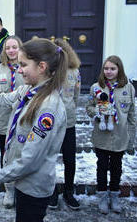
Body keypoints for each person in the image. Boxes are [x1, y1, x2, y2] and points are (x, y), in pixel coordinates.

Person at [0, 38, 68, 222]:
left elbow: (29, 161)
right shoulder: (27, 90)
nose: (19, 70)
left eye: (23, 65)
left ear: (41, 66)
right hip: (22, 182)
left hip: (34, 187)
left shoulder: (48, 107)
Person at [86, 55, 136, 214]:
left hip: (120, 137)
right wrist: (97, 112)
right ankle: (102, 196)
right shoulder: (96, 87)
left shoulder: (128, 88)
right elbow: (89, 107)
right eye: (106, 68)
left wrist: (131, 139)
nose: (109, 71)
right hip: (102, 137)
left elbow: (132, 115)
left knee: (116, 167)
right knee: (101, 167)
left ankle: (114, 196)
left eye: (112, 68)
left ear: (119, 69)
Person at [0, 35, 24, 208]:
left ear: (20, 48)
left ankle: (23, 188)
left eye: (14, 47)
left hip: (24, 121)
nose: (11, 50)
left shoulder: (27, 68)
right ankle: (9, 190)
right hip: (3, 121)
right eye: (8, 47)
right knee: (6, 156)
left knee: (23, 155)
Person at [48, 38, 81, 210]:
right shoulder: (48, 71)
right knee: (50, 158)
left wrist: (70, 110)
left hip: (68, 122)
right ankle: (51, 191)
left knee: (70, 159)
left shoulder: (74, 71)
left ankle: (68, 192)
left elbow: (75, 96)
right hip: (51, 122)